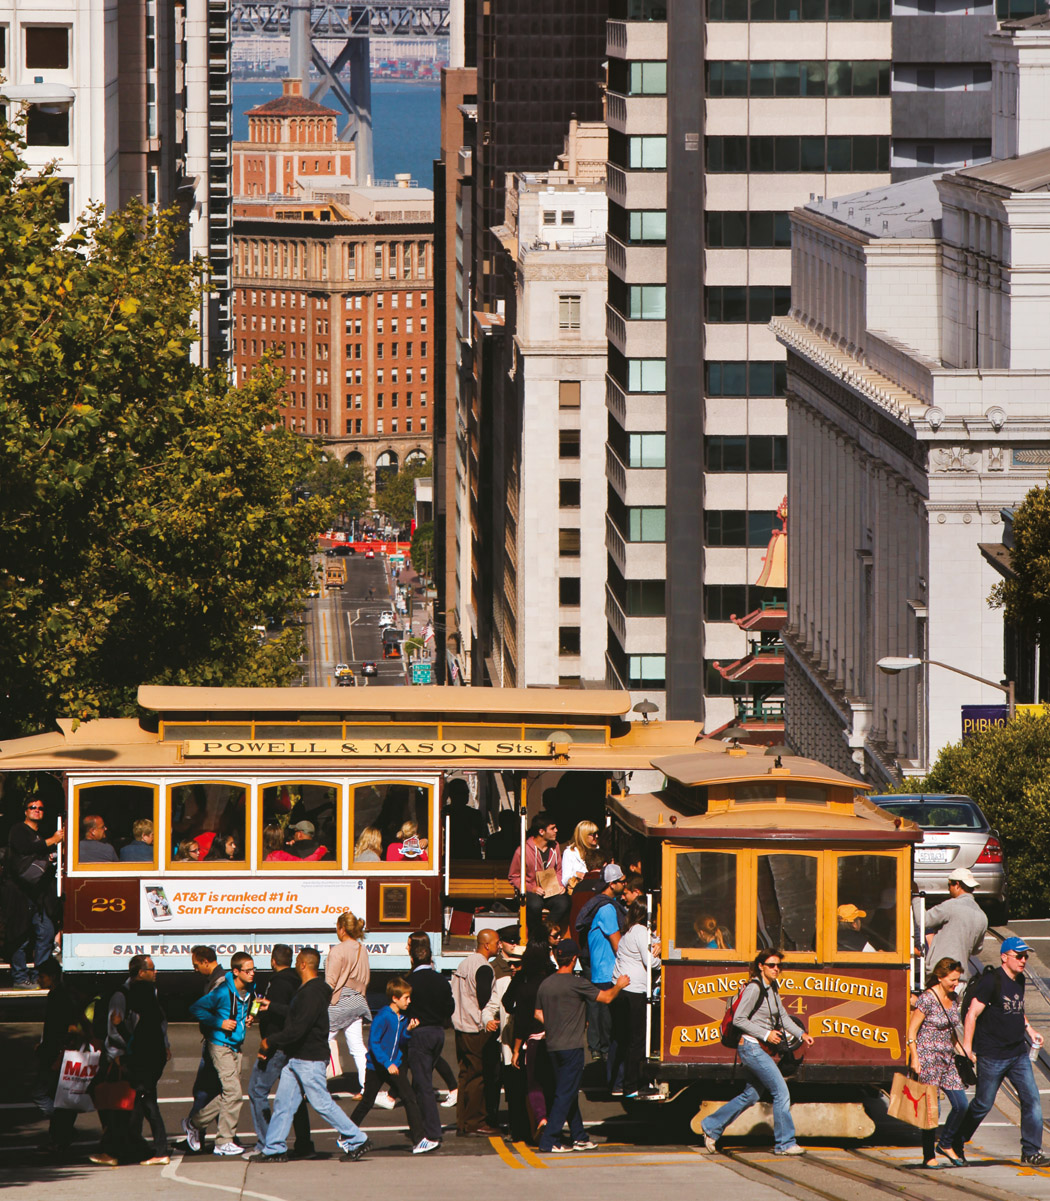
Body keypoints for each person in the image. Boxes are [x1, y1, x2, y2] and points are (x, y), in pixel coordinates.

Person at [250, 948, 370, 1164]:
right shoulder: (307, 991)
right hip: (296, 1057)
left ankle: (357, 1139)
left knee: (322, 1103)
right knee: (284, 1103)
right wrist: (273, 1006)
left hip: (310, 1058)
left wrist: (271, 1040)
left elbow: (299, 1027)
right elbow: (298, 1015)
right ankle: (274, 1148)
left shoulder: (312, 992)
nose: (295, 964)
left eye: (297, 961)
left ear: (304, 964)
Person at [699, 948, 815, 1156]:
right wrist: (766, 1034)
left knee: (750, 1095)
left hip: (757, 1048)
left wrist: (801, 1034)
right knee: (781, 1092)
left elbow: (783, 1016)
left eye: (779, 965)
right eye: (771, 965)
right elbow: (739, 1019)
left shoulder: (773, 987)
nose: (776, 969)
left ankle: (711, 1127)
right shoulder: (754, 988)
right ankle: (785, 1143)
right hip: (751, 1047)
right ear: (761, 966)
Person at [956, 935, 1050, 1166]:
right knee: (983, 1104)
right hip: (992, 1055)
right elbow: (972, 1014)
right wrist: (967, 1047)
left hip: (1018, 1054)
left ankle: (1031, 1151)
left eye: (1026, 956)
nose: (1024, 960)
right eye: (1019, 956)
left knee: (1032, 1100)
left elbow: (1017, 1009)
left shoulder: (1019, 980)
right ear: (1004, 957)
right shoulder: (990, 981)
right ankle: (956, 1141)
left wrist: (1030, 1030)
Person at [534, 938, 628, 1153]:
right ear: (574, 959)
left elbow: (537, 1013)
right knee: (565, 1094)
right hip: (571, 1047)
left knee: (567, 1092)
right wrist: (619, 985)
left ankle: (579, 1136)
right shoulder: (577, 983)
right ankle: (550, 1140)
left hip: (552, 1046)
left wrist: (554, 1023)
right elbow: (605, 998)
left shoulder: (546, 984)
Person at [186, 951, 256, 1157]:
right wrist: (220, 1023)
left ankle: (193, 1122)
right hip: (219, 1045)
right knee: (234, 1093)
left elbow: (245, 1008)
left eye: (254, 969)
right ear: (236, 972)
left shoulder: (249, 988)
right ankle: (223, 1141)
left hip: (236, 1045)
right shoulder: (223, 991)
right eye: (248, 970)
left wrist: (249, 1018)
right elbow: (196, 1008)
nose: (252, 974)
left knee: (228, 1093)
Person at [247, 945, 314, 1159]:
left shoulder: (275, 984)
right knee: (294, 1096)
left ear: (273, 961)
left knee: (257, 1091)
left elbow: (268, 1009)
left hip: (275, 1046)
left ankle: (267, 1143)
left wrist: (255, 1018)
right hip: (295, 1045)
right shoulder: (300, 983)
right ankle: (304, 1143)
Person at [350, 979, 431, 1152]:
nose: (409, 1001)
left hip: (391, 1066)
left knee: (409, 1097)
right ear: (395, 998)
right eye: (406, 998)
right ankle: (347, 1134)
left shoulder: (401, 1018)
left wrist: (408, 1030)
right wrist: (387, 1063)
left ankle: (419, 1140)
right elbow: (374, 1043)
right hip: (378, 1067)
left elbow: (400, 1040)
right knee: (367, 1102)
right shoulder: (383, 1017)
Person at [908, 957, 971, 1168]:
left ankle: (944, 1143)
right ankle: (928, 1156)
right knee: (931, 1108)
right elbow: (912, 1030)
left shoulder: (953, 998)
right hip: (928, 1057)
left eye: (957, 979)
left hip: (947, 1058)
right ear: (940, 977)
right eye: (952, 980)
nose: (956, 983)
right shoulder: (927, 998)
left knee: (961, 1104)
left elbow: (951, 1030)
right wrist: (915, 1057)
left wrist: (962, 1050)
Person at [33, 958, 93, 1156]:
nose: (39, 980)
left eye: (42, 976)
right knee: (57, 1096)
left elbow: (59, 1029)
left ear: (51, 977)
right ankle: (62, 1133)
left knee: (44, 1095)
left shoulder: (58, 997)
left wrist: (55, 1054)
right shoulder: (62, 995)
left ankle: (62, 1131)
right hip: (56, 1052)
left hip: (57, 1054)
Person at [404, 930, 456, 1148]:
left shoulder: (409, 982)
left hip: (420, 1033)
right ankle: (422, 1125)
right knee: (421, 1081)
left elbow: (405, 1008)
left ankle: (432, 1133)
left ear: (413, 958)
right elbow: (449, 1006)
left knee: (423, 1084)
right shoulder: (441, 981)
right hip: (437, 1032)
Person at [5, 797, 64, 988]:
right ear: (25, 811)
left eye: (40, 808)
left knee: (45, 934)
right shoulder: (18, 830)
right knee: (20, 936)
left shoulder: (41, 833)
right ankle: (20, 977)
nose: (37, 810)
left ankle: (40, 975)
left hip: (39, 897)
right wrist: (54, 840)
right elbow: (27, 847)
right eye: (33, 807)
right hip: (19, 894)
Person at [451, 928, 501, 1137]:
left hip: (460, 1026)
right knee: (478, 1077)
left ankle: (463, 1121)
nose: (499, 945)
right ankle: (475, 1122)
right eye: (497, 942)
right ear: (487, 944)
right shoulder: (484, 967)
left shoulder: (463, 964)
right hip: (475, 1029)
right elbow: (484, 999)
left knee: (465, 1075)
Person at [611, 899, 661, 1099]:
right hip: (634, 991)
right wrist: (661, 954)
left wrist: (656, 942)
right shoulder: (641, 931)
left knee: (625, 1039)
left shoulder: (630, 931)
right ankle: (632, 1085)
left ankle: (620, 1083)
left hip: (623, 989)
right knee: (637, 1040)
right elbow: (651, 962)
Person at [576, 863, 625, 1064]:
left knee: (599, 1012)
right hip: (608, 970)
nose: (625, 884)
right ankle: (604, 1055)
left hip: (599, 969)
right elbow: (618, 944)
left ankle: (599, 1050)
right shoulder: (607, 909)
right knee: (608, 1019)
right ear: (612, 884)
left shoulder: (598, 904)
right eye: (622, 881)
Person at [506, 941, 555, 1139]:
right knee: (552, 1083)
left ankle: (538, 1120)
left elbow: (514, 1011)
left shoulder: (523, 985)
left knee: (532, 1083)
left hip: (531, 1039)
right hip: (556, 1037)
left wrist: (516, 1049)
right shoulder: (552, 981)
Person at [327, 911, 372, 1095]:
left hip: (339, 999)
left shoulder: (337, 950)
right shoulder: (362, 949)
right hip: (358, 1000)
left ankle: (315, 1084)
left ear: (342, 929)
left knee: (323, 1039)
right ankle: (367, 1086)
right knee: (357, 1047)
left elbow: (330, 981)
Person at [184, 946, 226, 1141]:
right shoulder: (216, 980)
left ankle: (195, 1131)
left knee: (203, 1091)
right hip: (214, 1042)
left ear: (205, 961)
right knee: (213, 1090)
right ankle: (226, 1136)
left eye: (196, 965)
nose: (195, 969)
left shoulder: (219, 982)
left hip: (216, 1043)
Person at [508, 813, 570, 936]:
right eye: (552, 828)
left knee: (564, 902)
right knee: (535, 905)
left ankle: (542, 933)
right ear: (541, 831)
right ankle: (537, 934)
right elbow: (513, 876)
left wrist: (559, 885)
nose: (556, 831)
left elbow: (558, 870)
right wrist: (532, 888)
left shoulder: (555, 847)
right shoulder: (523, 850)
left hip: (551, 891)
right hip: (532, 891)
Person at [925, 868, 988, 982]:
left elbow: (923, 920)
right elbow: (977, 949)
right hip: (961, 977)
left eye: (949, 885)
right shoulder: (982, 916)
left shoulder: (950, 906)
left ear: (957, 885)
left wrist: (915, 898)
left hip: (941, 976)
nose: (949, 889)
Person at [560, 821, 599, 890]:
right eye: (593, 834)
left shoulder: (598, 850)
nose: (597, 836)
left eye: (597, 833)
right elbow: (564, 880)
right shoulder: (569, 853)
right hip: (579, 890)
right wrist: (576, 874)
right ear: (584, 836)